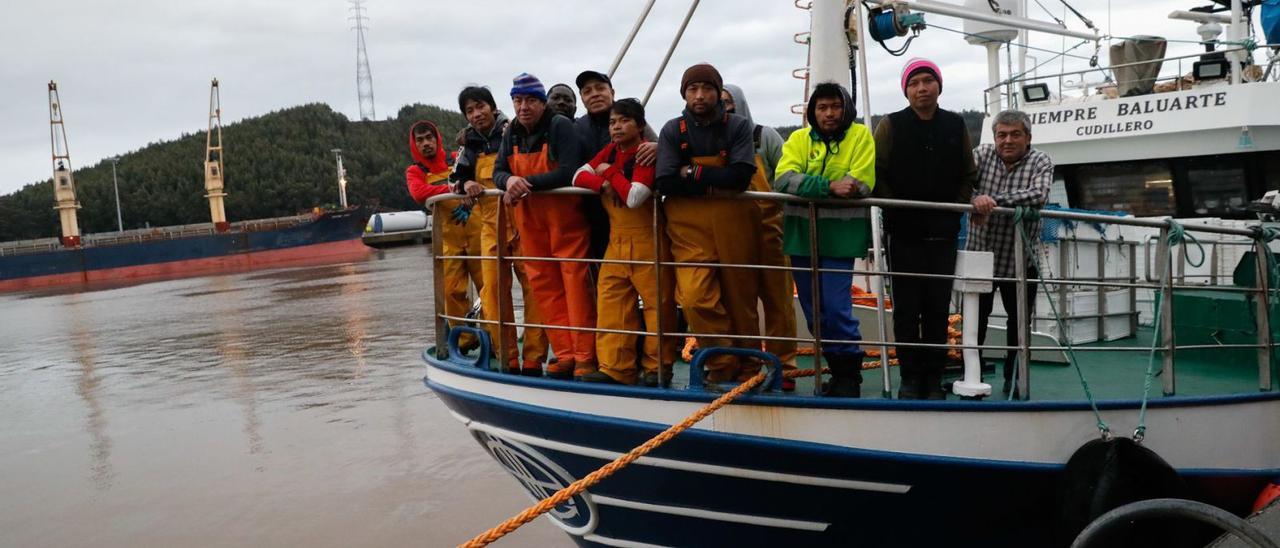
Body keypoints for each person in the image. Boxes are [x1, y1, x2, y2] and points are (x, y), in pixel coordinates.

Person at [873, 57, 977, 400]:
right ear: (906, 90)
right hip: (902, 232)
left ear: (939, 86)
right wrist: (896, 210)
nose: (922, 88)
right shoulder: (890, 125)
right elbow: (879, 174)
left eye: (927, 81)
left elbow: (967, 173)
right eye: (914, 82)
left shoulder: (955, 124)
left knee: (937, 308)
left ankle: (932, 377)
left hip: (943, 232)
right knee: (905, 307)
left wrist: (954, 210)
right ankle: (909, 375)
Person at [655, 63, 762, 383]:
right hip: (688, 231)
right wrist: (717, 179)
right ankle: (722, 363)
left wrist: (694, 172)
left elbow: (742, 176)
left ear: (717, 92)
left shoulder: (738, 127)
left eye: (706, 89)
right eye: (692, 90)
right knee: (694, 298)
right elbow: (665, 180)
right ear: (684, 94)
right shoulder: (672, 130)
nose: (699, 96)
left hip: (735, 226)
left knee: (741, 299)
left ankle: (750, 366)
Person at [774, 82, 876, 398]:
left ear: (846, 108)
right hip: (801, 239)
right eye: (822, 107)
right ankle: (837, 372)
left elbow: (860, 183)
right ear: (812, 112)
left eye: (835, 106)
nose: (829, 113)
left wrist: (810, 184)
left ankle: (849, 378)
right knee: (814, 313)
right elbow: (783, 178)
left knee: (835, 308)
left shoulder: (860, 137)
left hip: (840, 240)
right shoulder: (797, 139)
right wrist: (829, 187)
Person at [493, 73, 595, 380]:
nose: (523, 107)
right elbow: (499, 170)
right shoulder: (511, 132)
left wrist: (525, 183)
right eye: (518, 100)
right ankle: (564, 354)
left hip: (565, 220)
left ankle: (585, 356)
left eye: (530, 101)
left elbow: (568, 171)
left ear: (541, 102)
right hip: (531, 222)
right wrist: (508, 180)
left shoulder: (559, 126)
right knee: (544, 285)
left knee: (575, 284)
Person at [571, 98, 677, 386]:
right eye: (612, 122)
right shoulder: (610, 151)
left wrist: (608, 172)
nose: (616, 127)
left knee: (658, 304)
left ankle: (658, 367)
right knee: (612, 302)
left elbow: (634, 197)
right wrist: (603, 182)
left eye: (624, 121)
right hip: (617, 241)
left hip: (648, 239)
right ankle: (615, 368)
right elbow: (578, 174)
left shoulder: (645, 154)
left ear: (640, 125)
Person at [450, 86, 550, 376]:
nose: (476, 114)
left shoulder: (514, 131)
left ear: (493, 107)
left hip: (524, 224)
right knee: (492, 293)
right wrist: (464, 184)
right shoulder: (468, 141)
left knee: (535, 290)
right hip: (491, 228)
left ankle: (533, 357)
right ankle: (506, 356)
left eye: (480, 106)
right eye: (469, 110)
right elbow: (455, 176)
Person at [968, 110, 1053, 395]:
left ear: (1028, 138)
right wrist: (973, 199)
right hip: (980, 256)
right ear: (994, 137)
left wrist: (990, 202)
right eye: (1002, 134)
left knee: (1019, 324)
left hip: (1020, 261)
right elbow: (961, 183)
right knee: (975, 321)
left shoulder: (1040, 160)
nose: (1008, 140)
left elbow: (1038, 194)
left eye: (1015, 134)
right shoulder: (981, 155)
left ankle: (1014, 376)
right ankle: (973, 376)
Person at [722, 83, 798, 390]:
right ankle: (749, 362)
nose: (725, 107)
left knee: (778, 299)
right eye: (721, 102)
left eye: (730, 102)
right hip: (735, 230)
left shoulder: (764, 137)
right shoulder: (715, 141)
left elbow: (785, 176)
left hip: (772, 229)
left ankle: (787, 365)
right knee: (741, 302)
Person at [405, 120, 484, 353]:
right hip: (448, 240)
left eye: (429, 137)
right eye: (420, 140)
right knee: (451, 292)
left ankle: (497, 338)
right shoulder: (415, 171)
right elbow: (419, 192)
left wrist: (464, 186)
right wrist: (455, 188)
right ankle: (465, 341)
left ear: (437, 138)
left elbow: (478, 181)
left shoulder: (457, 158)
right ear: (414, 145)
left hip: (478, 231)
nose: (426, 143)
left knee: (489, 287)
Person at [574, 70, 659, 263]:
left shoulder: (633, 119)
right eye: (587, 91)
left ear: (612, 92)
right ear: (582, 99)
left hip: (636, 217)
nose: (594, 94)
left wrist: (659, 148)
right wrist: (602, 184)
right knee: (601, 279)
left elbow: (659, 150)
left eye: (600, 88)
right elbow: (575, 172)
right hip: (592, 216)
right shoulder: (576, 128)